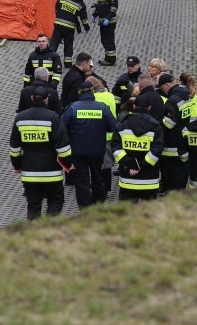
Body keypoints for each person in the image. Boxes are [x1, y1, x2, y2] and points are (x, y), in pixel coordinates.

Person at [9, 85, 74, 220]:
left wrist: (17, 165)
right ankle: (49, 230)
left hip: (29, 172)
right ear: (47, 99)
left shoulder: (20, 118)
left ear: (32, 98)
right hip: (52, 173)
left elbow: (14, 147)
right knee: (55, 201)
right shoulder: (53, 118)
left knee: (33, 205)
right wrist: (68, 165)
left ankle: (34, 234)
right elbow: (63, 148)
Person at [61, 81, 117, 208]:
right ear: (93, 91)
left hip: (77, 152)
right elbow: (113, 126)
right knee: (98, 178)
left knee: (81, 181)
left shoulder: (72, 108)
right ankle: (98, 205)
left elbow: (62, 128)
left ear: (79, 92)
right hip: (97, 151)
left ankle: (85, 208)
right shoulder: (102, 107)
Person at [112, 95, 164, 202]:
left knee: (127, 215)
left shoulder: (121, 125)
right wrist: (140, 166)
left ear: (134, 106)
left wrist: (130, 165)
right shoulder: (156, 127)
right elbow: (157, 150)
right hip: (149, 180)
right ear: (149, 108)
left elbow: (116, 148)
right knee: (149, 216)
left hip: (128, 178)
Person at [157, 73, 193, 194]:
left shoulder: (172, 101)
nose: (163, 91)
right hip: (183, 138)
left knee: (172, 174)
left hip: (172, 144)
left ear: (167, 85)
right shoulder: (185, 95)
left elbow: (169, 124)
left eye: (162, 88)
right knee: (182, 171)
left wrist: (158, 125)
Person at [49, 0, 90, 70]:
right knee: (68, 45)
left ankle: (49, 60)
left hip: (58, 24)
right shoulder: (81, 4)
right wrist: (86, 27)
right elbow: (84, 18)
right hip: (70, 28)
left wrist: (60, 16)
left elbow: (56, 7)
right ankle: (68, 64)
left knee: (54, 42)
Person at [89, 75, 118, 198]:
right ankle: (107, 187)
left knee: (96, 164)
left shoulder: (93, 99)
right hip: (109, 135)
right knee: (107, 164)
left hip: (96, 136)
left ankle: (98, 188)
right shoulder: (110, 95)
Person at [92, 0, 118, 66]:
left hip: (109, 21)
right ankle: (107, 58)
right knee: (104, 40)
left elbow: (114, 7)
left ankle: (111, 60)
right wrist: (95, 14)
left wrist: (108, 18)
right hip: (102, 20)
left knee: (109, 40)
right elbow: (100, 5)